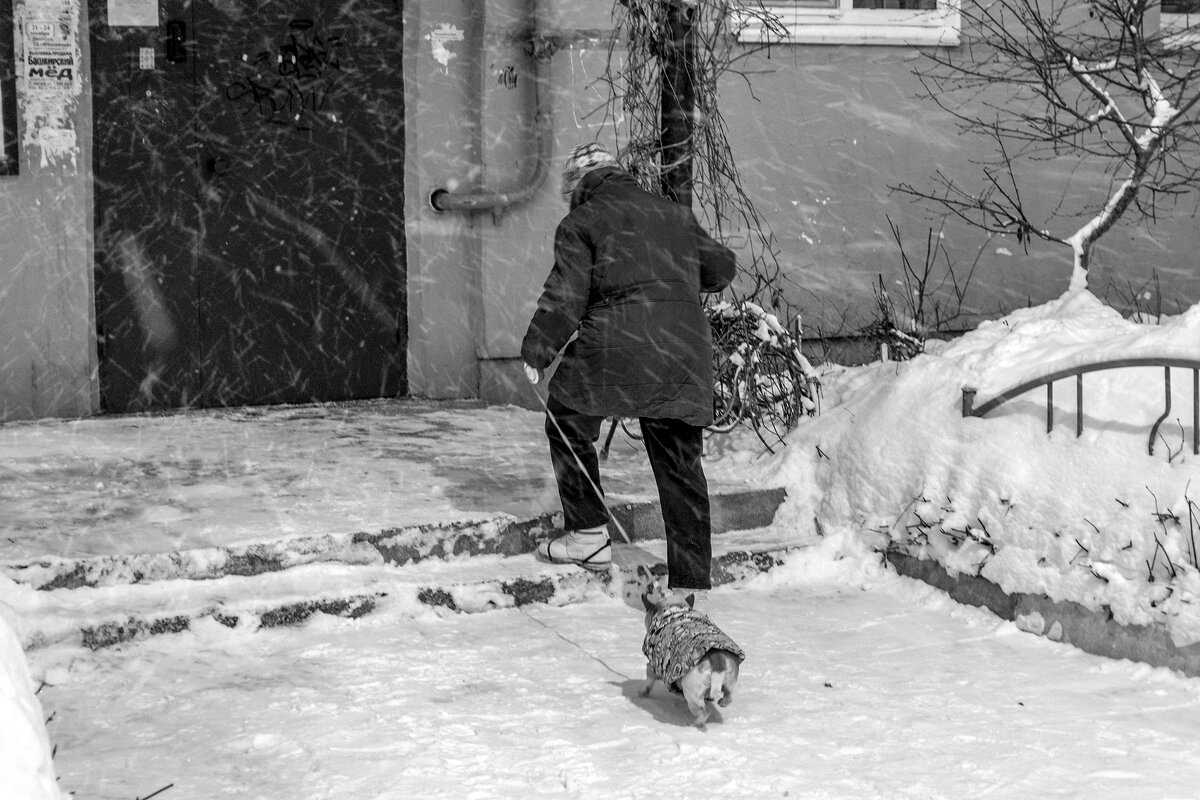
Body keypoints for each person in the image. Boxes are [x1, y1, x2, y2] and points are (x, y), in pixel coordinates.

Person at [521, 142, 737, 610]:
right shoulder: (672, 213)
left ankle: (588, 534)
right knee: (680, 461)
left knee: (567, 418)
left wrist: (538, 348)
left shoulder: (581, 222)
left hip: (616, 345)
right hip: (682, 350)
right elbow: (720, 269)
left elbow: (567, 297)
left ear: (577, 186)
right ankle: (691, 581)